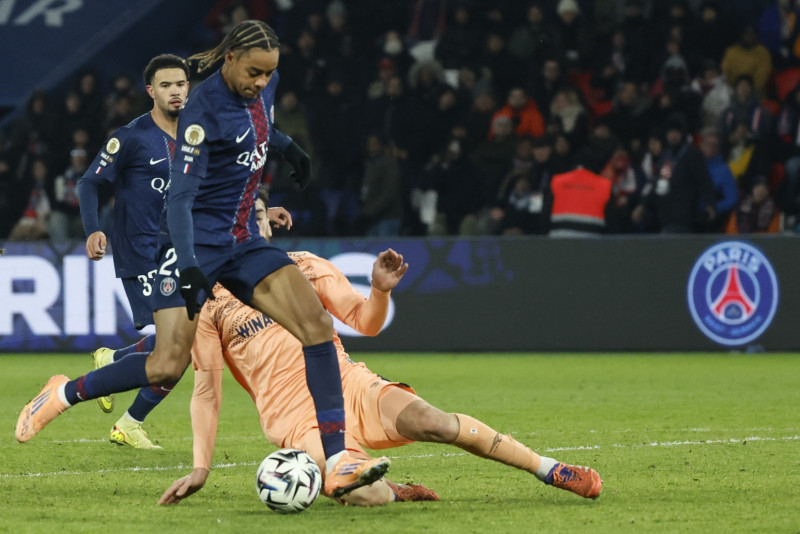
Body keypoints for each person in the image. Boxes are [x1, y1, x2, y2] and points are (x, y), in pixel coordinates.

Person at [16, 20, 390, 500]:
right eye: (254, 73)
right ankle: (62, 394)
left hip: (243, 240)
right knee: (166, 366)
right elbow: (180, 199)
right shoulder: (201, 113)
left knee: (316, 327)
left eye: (269, 74)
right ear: (230, 59)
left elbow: (256, 125)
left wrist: (287, 146)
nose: (261, 82)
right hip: (194, 243)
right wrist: (191, 264)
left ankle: (338, 461)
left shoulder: (264, 82)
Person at [158, 191, 603, 506]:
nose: (251, 224)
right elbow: (206, 391)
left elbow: (365, 323)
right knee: (364, 493)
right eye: (240, 218)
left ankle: (549, 468)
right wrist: (201, 468)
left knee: (434, 422)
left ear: (268, 221)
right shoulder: (209, 299)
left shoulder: (304, 267)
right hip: (294, 419)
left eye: (256, 215)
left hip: (349, 385)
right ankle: (394, 491)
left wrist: (379, 291)